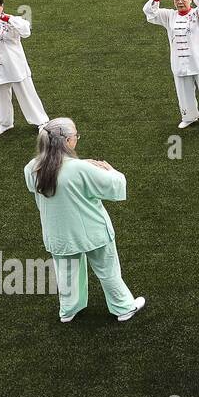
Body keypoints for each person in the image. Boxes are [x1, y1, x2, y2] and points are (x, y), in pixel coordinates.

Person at [26, 118, 147, 323]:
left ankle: (68, 310)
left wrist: (82, 164)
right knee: (108, 270)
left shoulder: (32, 168)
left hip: (58, 233)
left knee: (66, 273)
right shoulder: (80, 169)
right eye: (75, 137)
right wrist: (111, 170)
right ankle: (123, 307)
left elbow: (56, 176)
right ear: (66, 141)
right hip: (93, 231)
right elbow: (114, 187)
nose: (76, 139)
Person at [143, 0, 199, 130]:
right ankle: (188, 116)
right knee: (183, 91)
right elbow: (149, 12)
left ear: (190, 1)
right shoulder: (169, 15)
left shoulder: (198, 14)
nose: (180, 2)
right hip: (179, 61)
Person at [0, 0, 49, 136]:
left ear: (1, 6)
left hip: (15, 65)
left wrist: (5, 17)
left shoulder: (12, 20)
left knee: (26, 93)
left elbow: (25, 31)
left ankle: (42, 122)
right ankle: (5, 123)